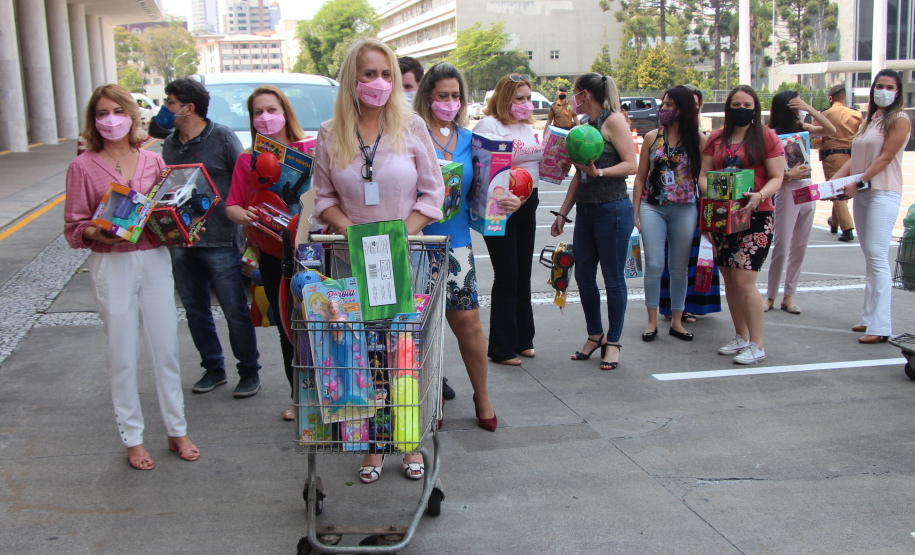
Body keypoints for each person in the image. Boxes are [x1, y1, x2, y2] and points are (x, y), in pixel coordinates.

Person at [311, 37, 444, 483]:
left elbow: (432, 193)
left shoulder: (413, 128)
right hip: (351, 261)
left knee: (404, 355)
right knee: (361, 357)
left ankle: (409, 443)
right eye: (369, 73)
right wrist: (352, 233)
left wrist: (396, 236)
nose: (380, 83)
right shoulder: (331, 133)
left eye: (387, 74)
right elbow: (324, 199)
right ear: (352, 79)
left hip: (405, 257)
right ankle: (370, 445)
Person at [63, 84, 199, 471]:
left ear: (132, 115)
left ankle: (178, 428)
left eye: (117, 111)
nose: (111, 120)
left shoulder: (152, 161)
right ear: (94, 120)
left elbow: (166, 208)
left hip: (153, 258)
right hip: (113, 263)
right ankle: (133, 438)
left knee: (166, 349)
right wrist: (97, 230)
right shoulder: (82, 166)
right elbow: (74, 225)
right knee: (123, 353)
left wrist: (181, 223)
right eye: (102, 113)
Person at [159, 77, 262, 398]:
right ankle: (213, 367)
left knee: (234, 310)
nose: (165, 108)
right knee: (195, 309)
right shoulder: (170, 144)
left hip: (220, 241)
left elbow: (245, 181)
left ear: (188, 108)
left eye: (170, 102)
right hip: (182, 242)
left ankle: (248, 370)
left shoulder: (222, 138)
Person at [413, 62, 500, 432]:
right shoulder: (410, 136)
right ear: (428, 97)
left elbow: (487, 190)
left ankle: (482, 395)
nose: (450, 102)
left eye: (456, 96)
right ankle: (428, 397)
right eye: (442, 96)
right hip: (415, 243)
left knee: (468, 323)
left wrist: (506, 198)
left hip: (457, 245)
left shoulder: (472, 140)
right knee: (419, 329)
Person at [225, 85, 310, 420]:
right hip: (275, 255)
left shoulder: (310, 150)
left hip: (318, 250)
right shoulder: (247, 159)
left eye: (272, 110)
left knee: (328, 321)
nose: (265, 118)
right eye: (258, 112)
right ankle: (299, 396)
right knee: (288, 327)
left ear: (286, 112)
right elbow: (231, 204)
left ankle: (336, 392)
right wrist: (243, 214)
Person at [550, 73, 638, 370]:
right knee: (584, 276)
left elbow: (632, 163)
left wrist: (599, 172)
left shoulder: (613, 120)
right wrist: (563, 212)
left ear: (585, 94)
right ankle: (594, 334)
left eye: (575, 93)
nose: (571, 99)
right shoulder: (584, 127)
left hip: (612, 209)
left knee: (613, 279)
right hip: (587, 211)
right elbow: (580, 174)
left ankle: (613, 342)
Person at [699, 85, 785, 364]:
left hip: (756, 214)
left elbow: (777, 176)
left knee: (744, 279)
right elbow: (703, 174)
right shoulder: (716, 138)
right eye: (736, 104)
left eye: (747, 104)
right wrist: (713, 195)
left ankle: (757, 344)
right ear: (727, 108)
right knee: (729, 278)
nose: (741, 109)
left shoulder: (767, 137)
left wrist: (759, 195)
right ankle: (741, 336)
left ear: (755, 108)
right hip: (723, 215)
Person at [829, 69, 911, 344]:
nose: (883, 90)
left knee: (877, 257)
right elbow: (856, 158)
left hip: (883, 193)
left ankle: (881, 325)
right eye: (880, 85)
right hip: (865, 194)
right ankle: (868, 318)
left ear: (898, 92)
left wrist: (858, 183)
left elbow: (886, 157)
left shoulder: (899, 119)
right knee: (870, 257)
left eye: (890, 86)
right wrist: (834, 183)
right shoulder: (870, 119)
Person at [474, 74, 544, 366]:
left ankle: (522, 338)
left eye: (528, 98)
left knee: (523, 272)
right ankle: (501, 347)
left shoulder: (527, 127)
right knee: (507, 272)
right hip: (498, 207)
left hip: (528, 203)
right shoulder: (489, 125)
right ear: (504, 98)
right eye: (520, 98)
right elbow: (481, 168)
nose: (526, 104)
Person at [632, 86, 706, 343]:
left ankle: (676, 321)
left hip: (685, 207)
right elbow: (640, 177)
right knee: (654, 264)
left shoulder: (698, 139)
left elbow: (703, 178)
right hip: (652, 207)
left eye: (670, 105)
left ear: (684, 109)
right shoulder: (652, 137)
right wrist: (635, 213)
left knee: (679, 266)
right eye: (663, 104)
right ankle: (652, 321)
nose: (664, 109)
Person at [763, 91, 836, 314]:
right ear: (787, 106)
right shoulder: (770, 133)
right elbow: (763, 169)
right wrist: (786, 177)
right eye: (796, 103)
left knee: (800, 247)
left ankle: (789, 296)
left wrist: (811, 109)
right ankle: (771, 296)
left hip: (807, 188)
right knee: (782, 246)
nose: (800, 107)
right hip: (786, 189)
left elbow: (832, 130)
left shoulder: (803, 128)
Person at [659, 84, 722, 322]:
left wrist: (711, 212)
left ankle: (690, 305)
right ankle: (670, 307)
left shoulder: (701, 138)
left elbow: (706, 176)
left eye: (696, 105)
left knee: (698, 258)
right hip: (664, 205)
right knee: (668, 259)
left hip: (694, 204)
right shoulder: (659, 136)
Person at [821, 84, 864, 242]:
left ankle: (847, 229)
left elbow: (817, 139)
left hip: (831, 156)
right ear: (844, 97)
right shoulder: (856, 114)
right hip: (850, 156)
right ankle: (834, 223)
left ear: (831, 98)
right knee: (840, 186)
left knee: (835, 189)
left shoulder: (825, 114)